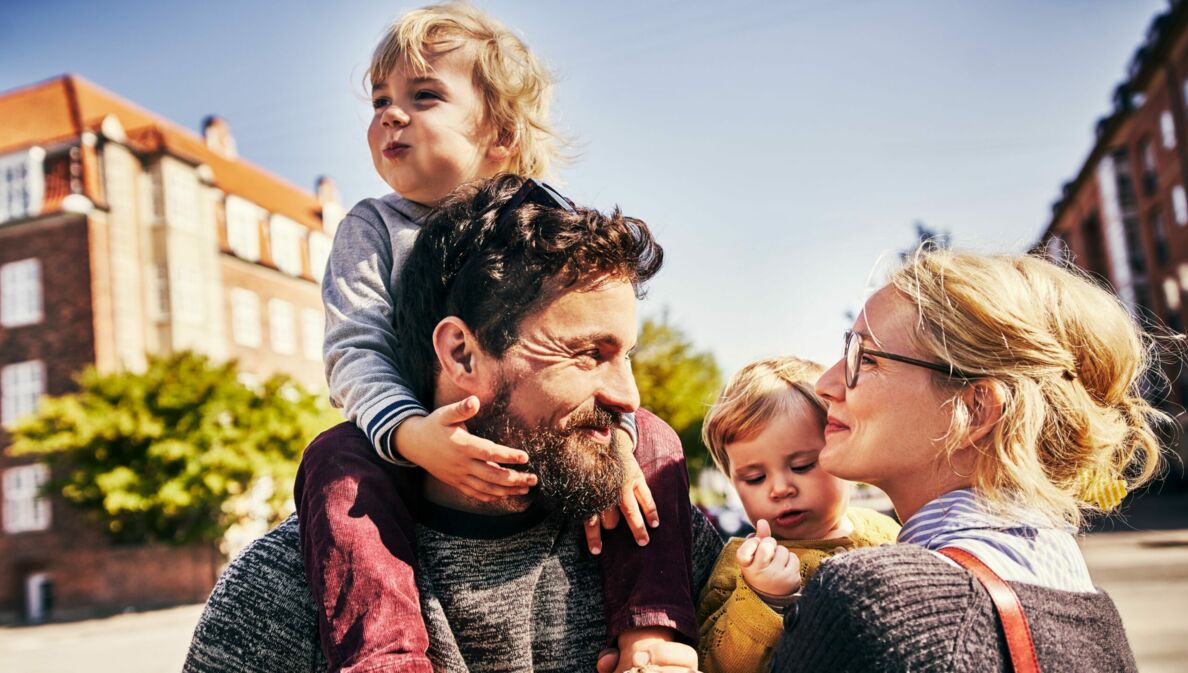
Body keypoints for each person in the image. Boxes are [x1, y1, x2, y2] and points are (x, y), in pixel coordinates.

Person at [185, 175, 723, 673]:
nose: (629, 396)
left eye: (626, 355)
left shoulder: (666, 539)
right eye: (586, 353)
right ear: (461, 354)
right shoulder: (284, 588)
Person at [303, 4, 697, 671]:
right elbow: (354, 348)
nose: (389, 115)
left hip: (545, 437)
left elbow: (591, 346)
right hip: (415, 441)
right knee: (336, 459)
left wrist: (617, 446)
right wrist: (411, 433)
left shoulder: (545, 218)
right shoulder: (371, 227)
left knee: (653, 440)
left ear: (502, 133)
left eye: (422, 96)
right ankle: (386, 654)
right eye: (379, 100)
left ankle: (650, 632)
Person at [771, 249, 1164, 672]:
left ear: (975, 409)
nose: (826, 383)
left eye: (865, 359)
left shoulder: (878, 600)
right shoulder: (1088, 607)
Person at [695, 356, 899, 673]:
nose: (780, 488)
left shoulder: (888, 531)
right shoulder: (740, 567)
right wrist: (763, 598)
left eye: (802, 466)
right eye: (754, 478)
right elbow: (711, 664)